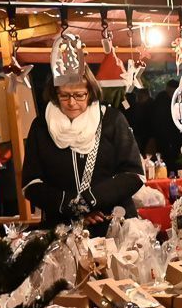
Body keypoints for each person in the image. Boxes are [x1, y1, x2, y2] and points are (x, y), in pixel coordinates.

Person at [21, 60, 142, 223]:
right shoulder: (41, 127)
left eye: (79, 95)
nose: (71, 102)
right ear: (55, 93)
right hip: (62, 227)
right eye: (64, 95)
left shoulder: (113, 120)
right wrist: (72, 206)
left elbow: (134, 175)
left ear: (90, 92)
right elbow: (31, 184)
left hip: (112, 222)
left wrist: (90, 200)